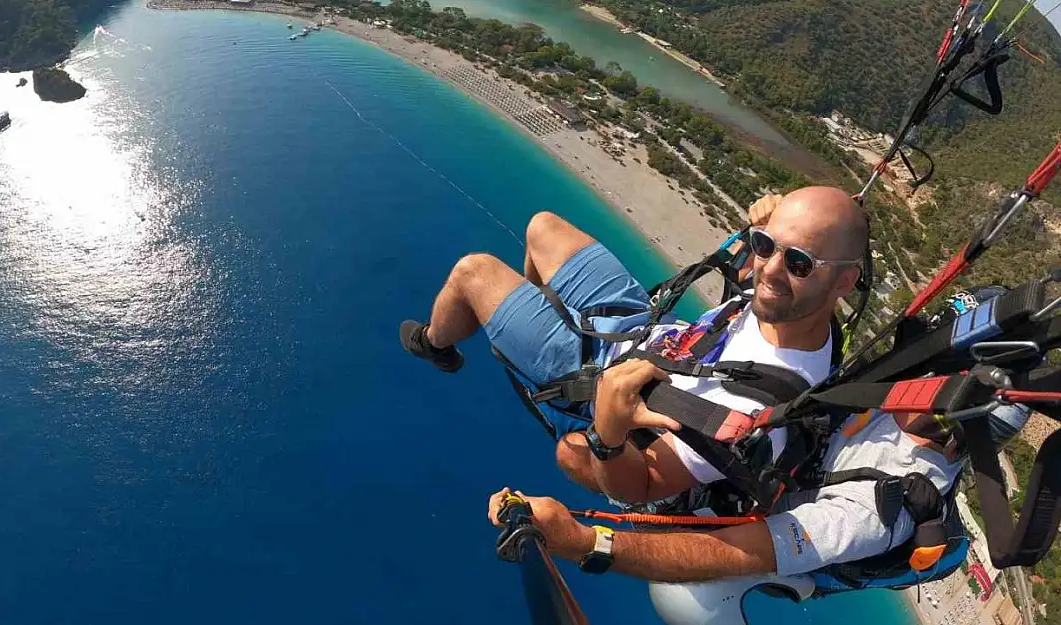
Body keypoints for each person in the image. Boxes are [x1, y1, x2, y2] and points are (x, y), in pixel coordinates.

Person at [483, 284, 1034, 625]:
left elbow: (737, 555)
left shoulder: (880, 508)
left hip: (769, 539)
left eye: (936, 365)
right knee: (574, 453)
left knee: (686, 602)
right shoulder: (893, 397)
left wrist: (586, 543)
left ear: (957, 412)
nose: (918, 365)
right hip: (763, 484)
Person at [401, 186, 866, 504]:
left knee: (472, 272)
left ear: (845, 281)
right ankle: (535, 315)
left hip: (601, 378)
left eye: (799, 263)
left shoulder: (752, 411)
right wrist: (773, 231)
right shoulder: (800, 312)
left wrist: (607, 432)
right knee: (543, 226)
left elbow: (643, 484)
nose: (770, 268)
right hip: (640, 327)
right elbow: (773, 272)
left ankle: (435, 344)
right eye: (765, 245)